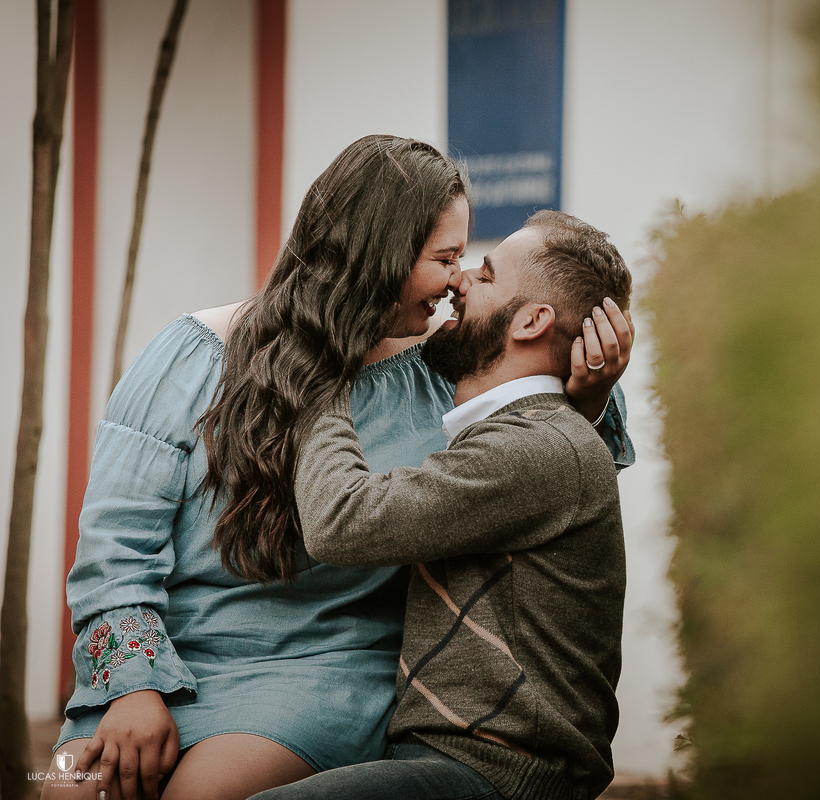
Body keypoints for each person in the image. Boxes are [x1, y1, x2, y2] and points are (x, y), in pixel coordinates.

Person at [42, 137, 634, 800]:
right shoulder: (194, 353)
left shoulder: (446, 369)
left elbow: (545, 466)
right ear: (375, 257)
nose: (457, 280)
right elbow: (112, 546)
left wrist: (588, 397)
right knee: (67, 793)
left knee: (197, 796)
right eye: (444, 258)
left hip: (323, 673)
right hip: (161, 662)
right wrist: (133, 686)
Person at [250, 209, 631, 800]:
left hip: (495, 775)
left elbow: (340, 521)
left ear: (531, 320)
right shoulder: (534, 437)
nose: (459, 282)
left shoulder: (538, 446)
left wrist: (319, 371)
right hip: (452, 761)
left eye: (484, 274)